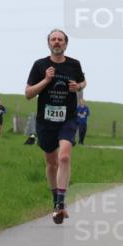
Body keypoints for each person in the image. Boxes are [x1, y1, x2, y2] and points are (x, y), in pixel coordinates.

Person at [25, 29, 86, 224]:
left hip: (68, 118)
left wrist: (78, 87)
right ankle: (56, 201)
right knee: (51, 163)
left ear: (66, 44)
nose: (57, 42)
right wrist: (46, 80)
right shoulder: (40, 65)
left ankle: (60, 203)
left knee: (64, 157)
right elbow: (28, 93)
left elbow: (83, 81)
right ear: (49, 43)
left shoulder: (74, 64)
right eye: (53, 39)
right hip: (46, 121)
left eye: (60, 39)